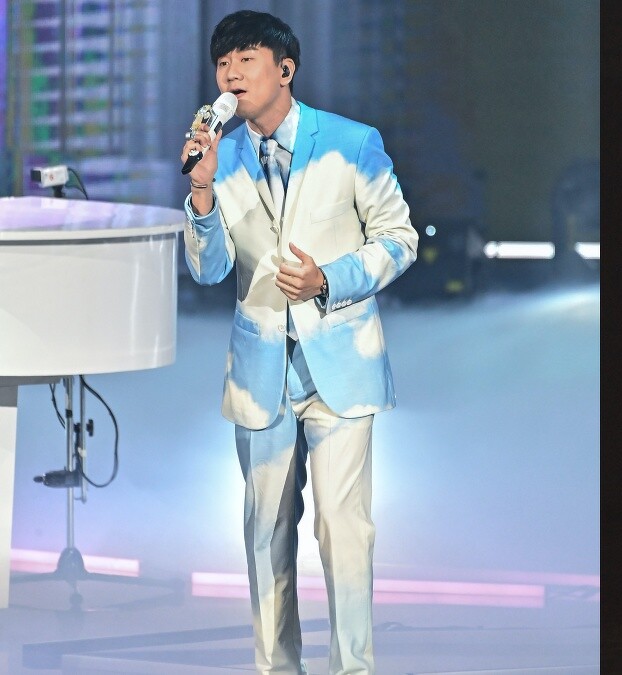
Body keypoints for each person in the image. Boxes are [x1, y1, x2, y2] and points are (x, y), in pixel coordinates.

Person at [180, 10, 418, 674]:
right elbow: (208, 269)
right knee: (265, 534)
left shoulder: (350, 141)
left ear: (285, 69)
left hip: (340, 367)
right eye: (222, 62)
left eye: (246, 59)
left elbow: (400, 239)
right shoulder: (221, 156)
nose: (231, 73)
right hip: (262, 372)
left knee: (344, 533)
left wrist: (328, 279)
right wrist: (200, 188)